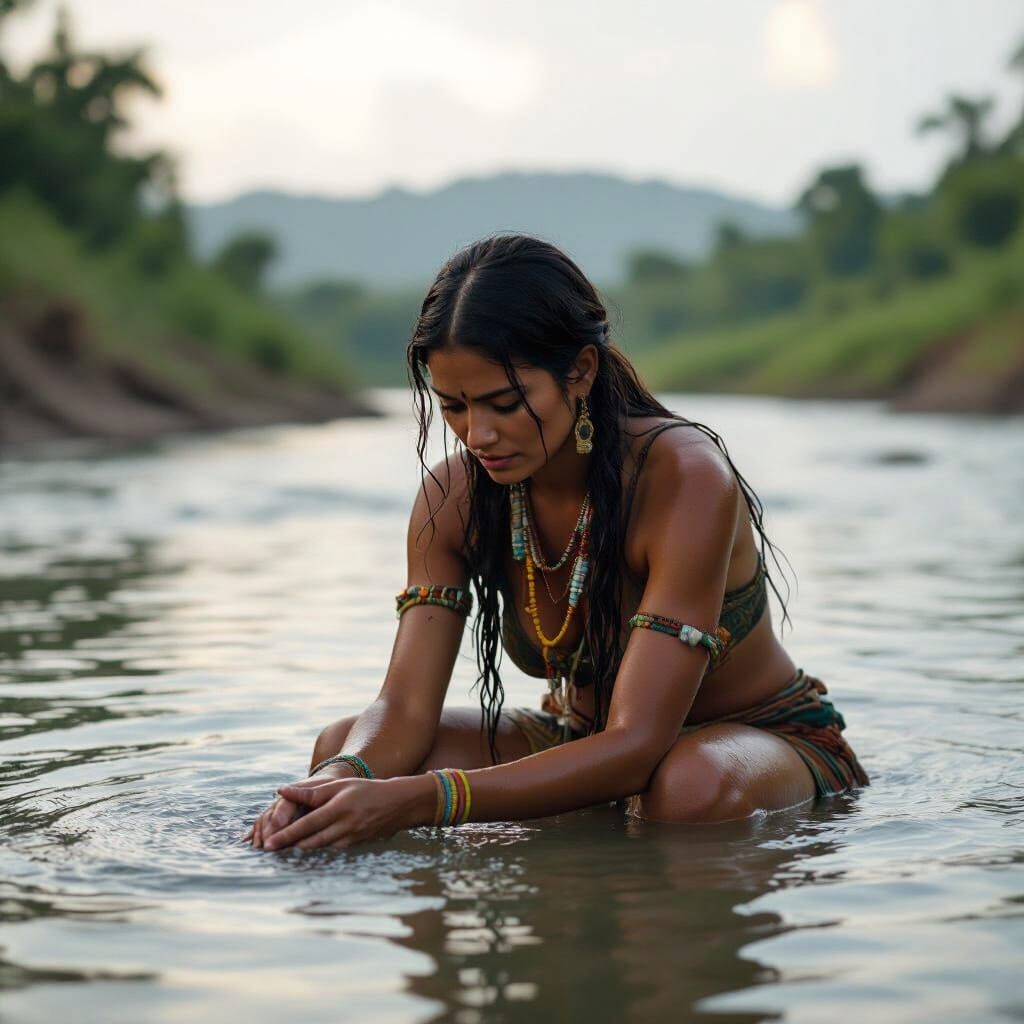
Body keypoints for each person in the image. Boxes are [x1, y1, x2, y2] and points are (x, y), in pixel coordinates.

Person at [243, 234, 868, 852]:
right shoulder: (455, 496)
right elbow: (403, 709)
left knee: (687, 788)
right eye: (454, 407)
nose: (478, 434)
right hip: (580, 737)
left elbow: (637, 746)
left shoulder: (683, 478)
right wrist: (336, 783)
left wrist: (427, 799)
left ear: (580, 372)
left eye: (505, 403)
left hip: (752, 741)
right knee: (343, 747)